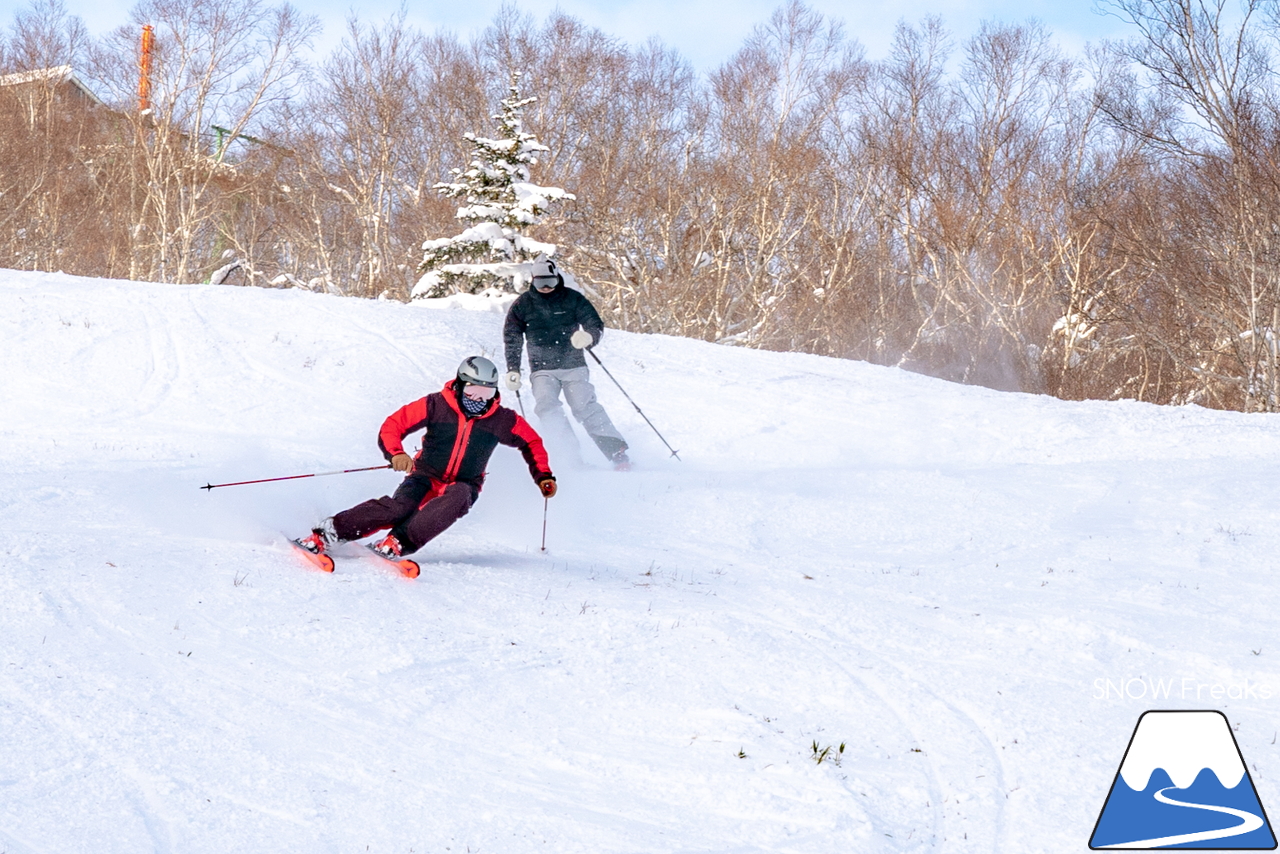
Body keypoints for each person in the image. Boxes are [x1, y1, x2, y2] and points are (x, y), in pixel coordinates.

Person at [295, 356, 556, 560]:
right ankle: (328, 533)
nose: (479, 400)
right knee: (400, 508)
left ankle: (397, 542)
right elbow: (393, 424)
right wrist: (396, 453)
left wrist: (543, 475)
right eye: (473, 391)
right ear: (460, 384)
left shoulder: (502, 420)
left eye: (486, 394)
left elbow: (532, 442)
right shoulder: (436, 405)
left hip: (464, 483)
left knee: (457, 498)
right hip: (424, 474)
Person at [503, 256, 630, 469]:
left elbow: (593, 322)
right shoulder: (522, 304)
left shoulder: (572, 299)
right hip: (542, 368)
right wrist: (513, 369)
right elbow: (512, 337)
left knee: (583, 405)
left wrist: (589, 337)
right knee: (546, 406)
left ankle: (617, 452)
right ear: (532, 280)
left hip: (573, 364)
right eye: (539, 283)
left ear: (557, 279)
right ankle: (570, 457)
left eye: (549, 283)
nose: (545, 288)